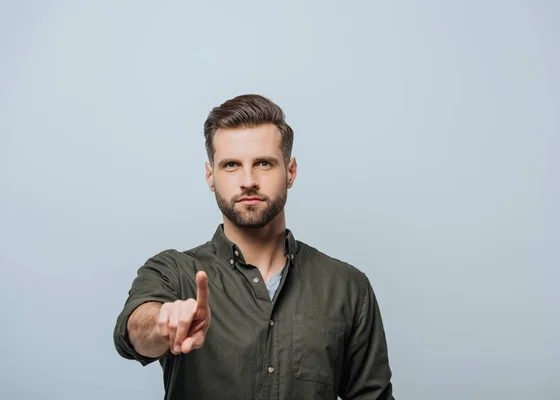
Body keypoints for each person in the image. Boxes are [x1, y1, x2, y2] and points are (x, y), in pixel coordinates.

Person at [113, 94, 394, 399]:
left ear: (290, 171)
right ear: (211, 176)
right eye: (231, 165)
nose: (248, 180)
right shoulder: (173, 272)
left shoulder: (347, 286)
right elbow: (134, 332)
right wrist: (163, 326)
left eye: (263, 163)